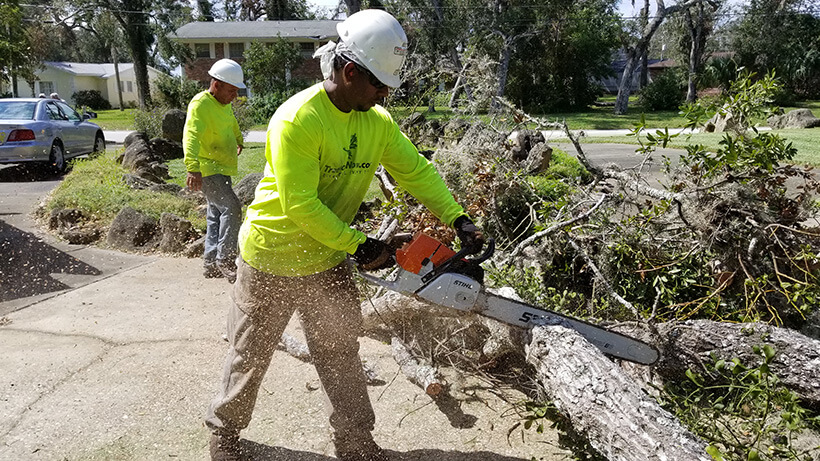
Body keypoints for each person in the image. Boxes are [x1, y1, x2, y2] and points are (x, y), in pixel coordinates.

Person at [205, 9, 484, 461]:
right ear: (350, 71)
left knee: (340, 356)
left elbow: (415, 171)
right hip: (271, 257)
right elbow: (300, 204)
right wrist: (359, 245)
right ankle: (224, 436)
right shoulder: (298, 119)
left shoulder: (377, 122)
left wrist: (458, 218)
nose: (385, 93)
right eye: (378, 84)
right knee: (249, 357)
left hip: (328, 260)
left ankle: (355, 443)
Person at [183, 59, 245, 282]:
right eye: (231, 90)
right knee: (232, 208)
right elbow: (191, 136)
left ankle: (211, 263)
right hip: (207, 168)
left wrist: (238, 139)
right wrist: (192, 168)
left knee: (216, 214)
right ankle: (225, 260)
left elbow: (231, 122)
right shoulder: (200, 104)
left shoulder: (223, 103)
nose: (234, 96)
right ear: (216, 84)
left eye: (237, 91)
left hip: (221, 166)